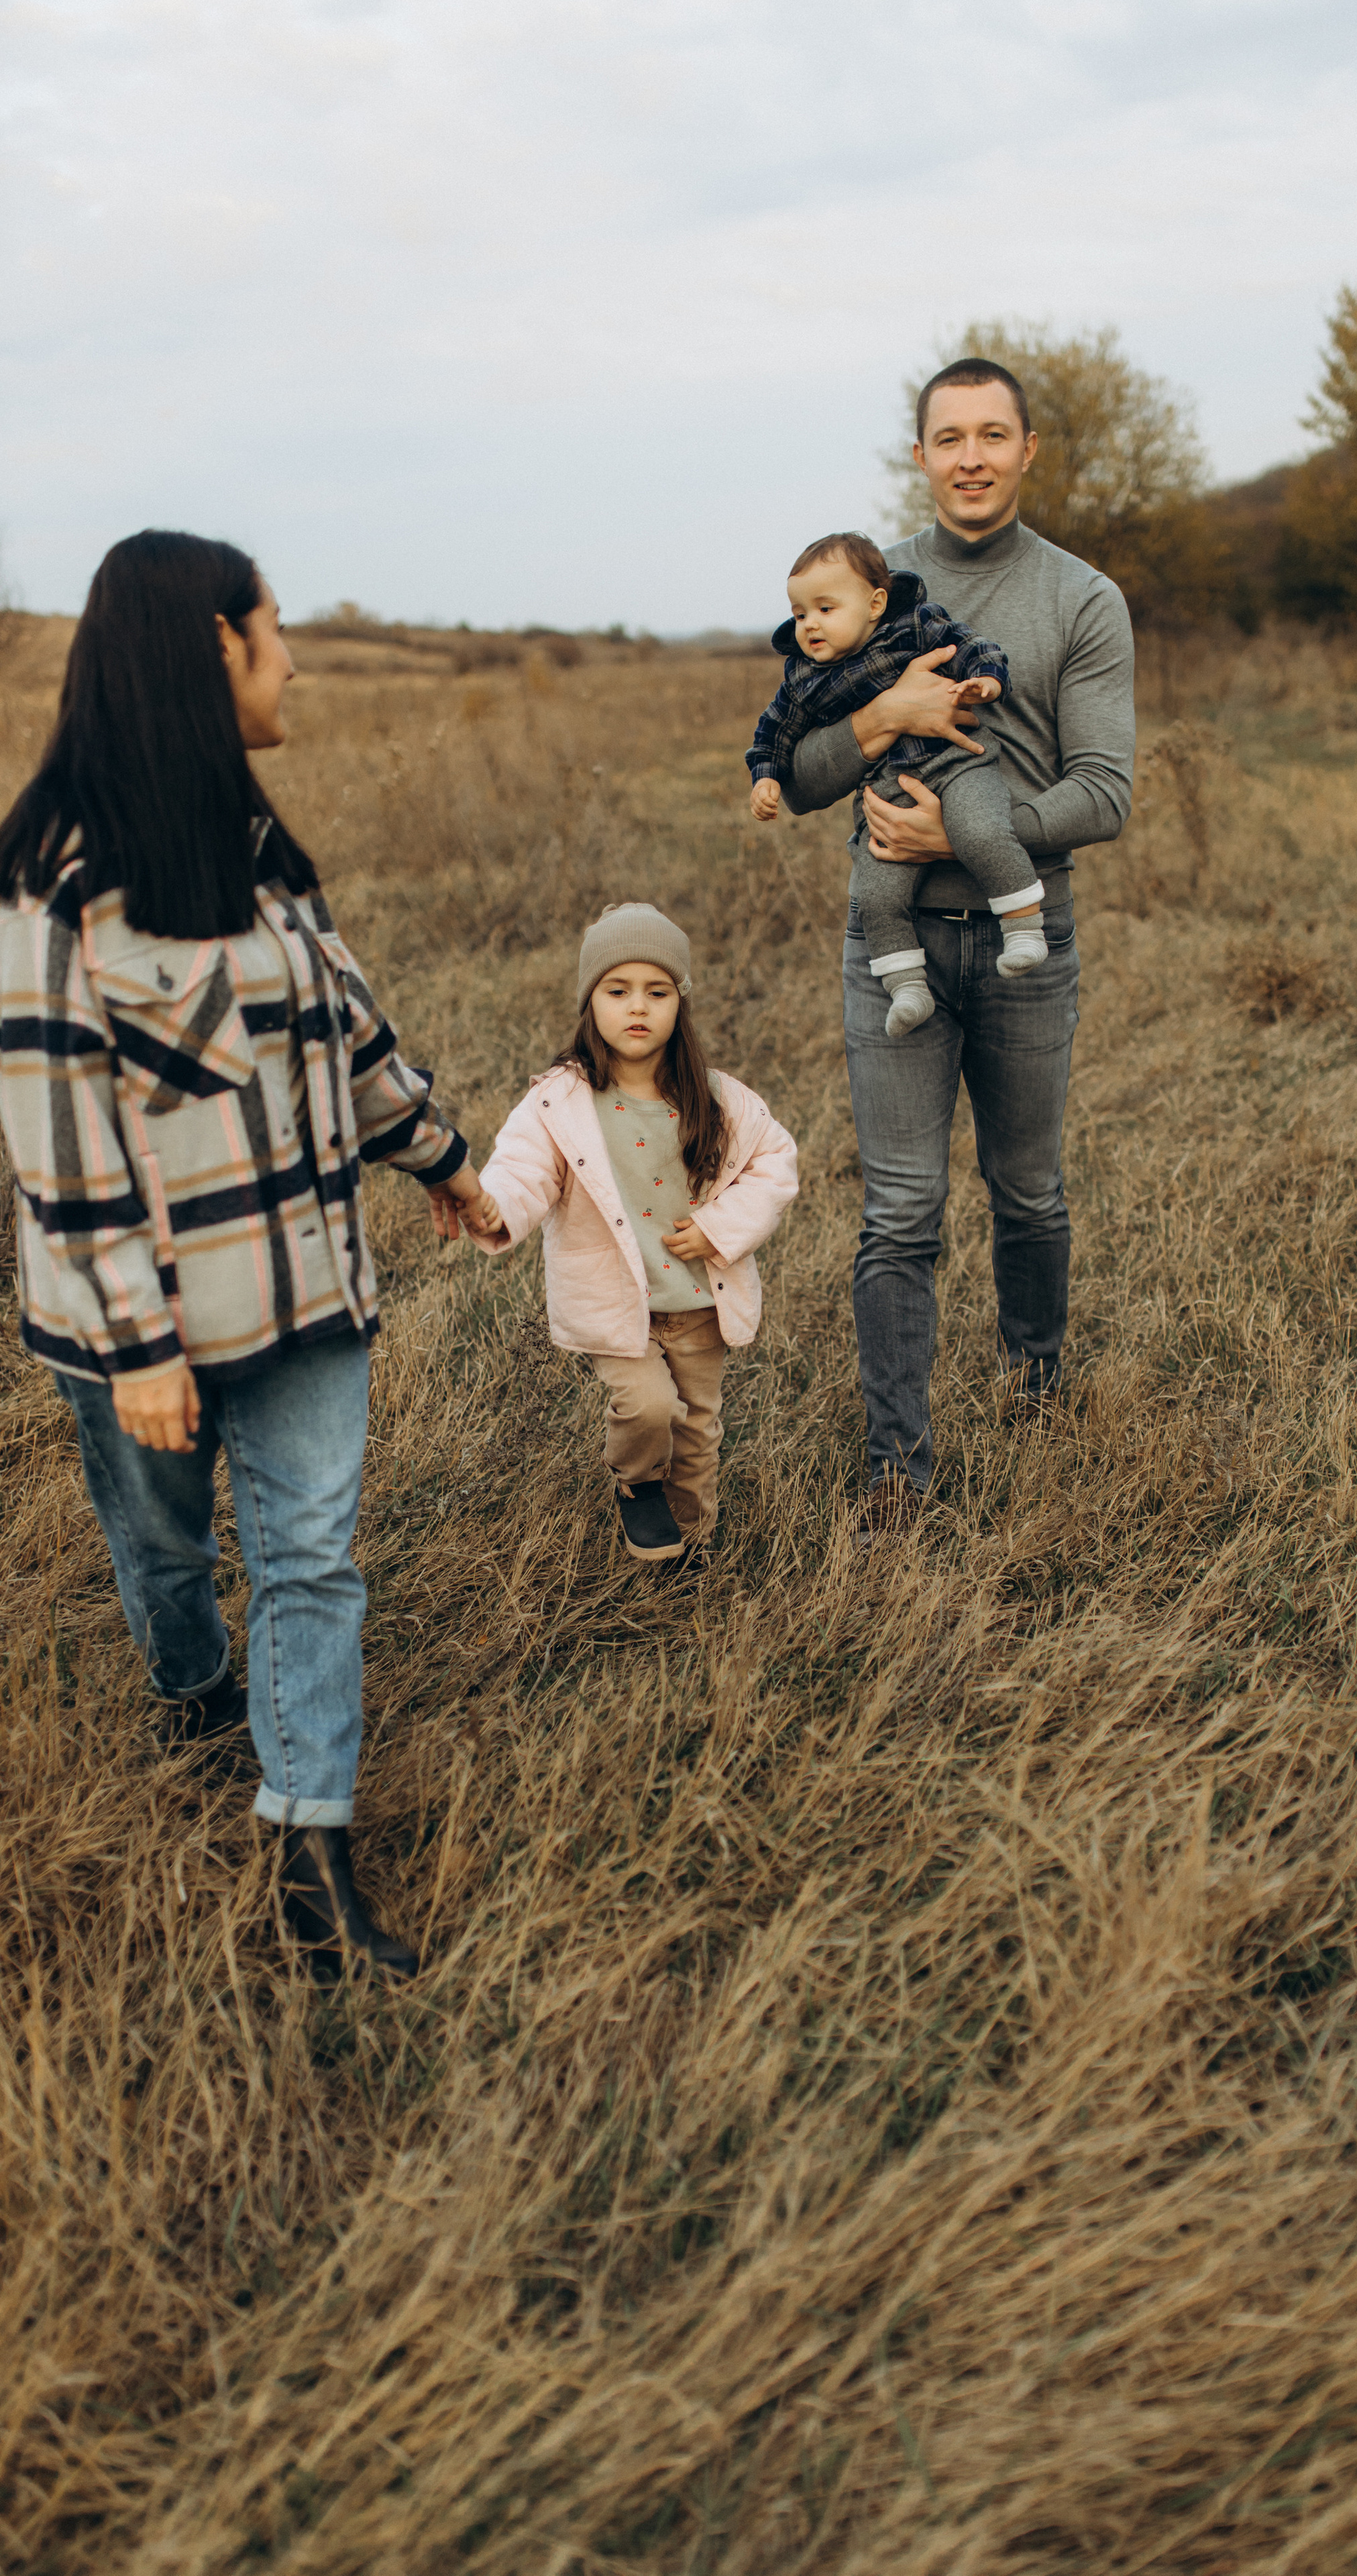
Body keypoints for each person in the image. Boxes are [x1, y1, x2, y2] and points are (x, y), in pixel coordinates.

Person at [0, 529, 499, 1980]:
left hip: (302, 1289)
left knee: (308, 1561)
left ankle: (310, 1861)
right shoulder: (54, 877)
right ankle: (189, 1689)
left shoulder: (259, 848)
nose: (296, 659)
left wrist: (446, 1161)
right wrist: (139, 1340)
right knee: (165, 1550)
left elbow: (345, 1031)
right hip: (143, 1320)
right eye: (275, 630)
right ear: (212, 645)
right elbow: (58, 1143)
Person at [777, 359, 1136, 1525]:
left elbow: (1107, 790)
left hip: (1030, 936)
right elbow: (798, 766)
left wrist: (971, 832)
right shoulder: (866, 594)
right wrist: (884, 714)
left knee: (1026, 1191)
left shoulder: (1082, 599)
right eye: (949, 437)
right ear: (921, 455)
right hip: (893, 950)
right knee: (900, 1212)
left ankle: (1037, 1382)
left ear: (1030, 450)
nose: (971, 456)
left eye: (993, 435)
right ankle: (897, 1467)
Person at [466, 902, 798, 1563]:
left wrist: (721, 1229)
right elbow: (523, 1169)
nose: (637, 1008)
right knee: (649, 1408)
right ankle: (638, 1484)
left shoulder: (718, 1098)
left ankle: (690, 1539)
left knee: (698, 1427)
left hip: (699, 1297)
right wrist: (495, 1205)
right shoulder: (561, 1101)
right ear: (591, 1001)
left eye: (657, 991)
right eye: (618, 991)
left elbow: (775, 1162)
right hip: (618, 1299)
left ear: (681, 1003)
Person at [747, 531, 1046, 1035]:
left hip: (959, 766)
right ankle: (907, 987)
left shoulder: (915, 626)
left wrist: (986, 680)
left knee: (981, 831)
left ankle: (1024, 931)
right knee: (876, 895)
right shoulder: (802, 678)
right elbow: (773, 735)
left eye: (825, 608)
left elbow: (975, 646)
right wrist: (766, 779)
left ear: (874, 603)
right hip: (886, 793)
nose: (810, 625)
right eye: (800, 615)